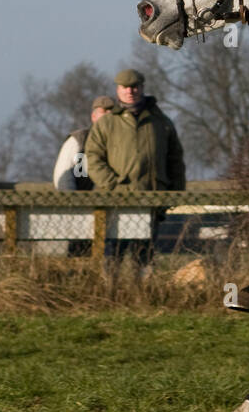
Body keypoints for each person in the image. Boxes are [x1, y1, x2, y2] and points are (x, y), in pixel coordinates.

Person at [85, 69, 185, 270]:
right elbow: (93, 157)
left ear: (142, 88)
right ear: (118, 90)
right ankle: (110, 293)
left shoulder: (161, 122)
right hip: (115, 200)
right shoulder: (106, 123)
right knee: (113, 254)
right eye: (125, 87)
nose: (130, 91)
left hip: (151, 198)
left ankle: (143, 293)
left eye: (134, 87)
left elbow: (175, 160)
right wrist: (112, 184)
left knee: (145, 255)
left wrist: (174, 192)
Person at [53, 95, 116, 191]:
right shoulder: (79, 140)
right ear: (93, 116)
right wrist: (73, 202)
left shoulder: (123, 142)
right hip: (83, 201)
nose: (107, 116)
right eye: (103, 112)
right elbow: (64, 177)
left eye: (111, 112)